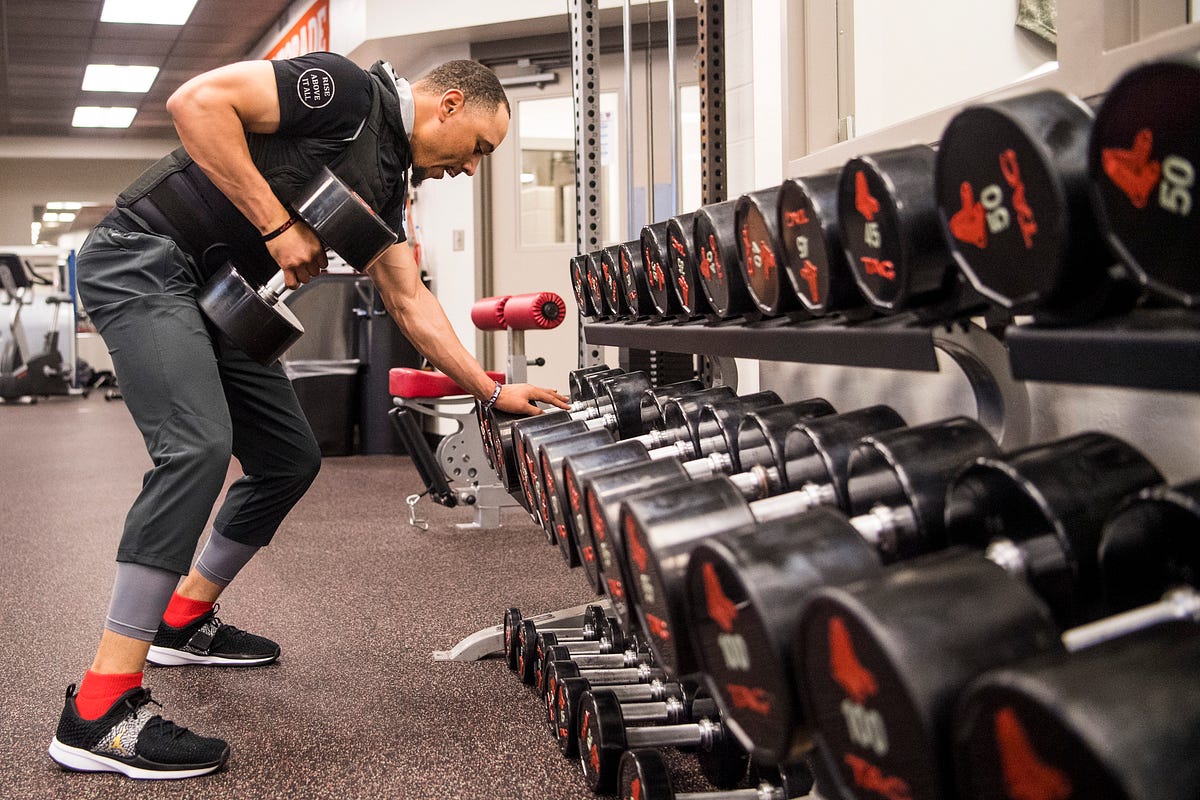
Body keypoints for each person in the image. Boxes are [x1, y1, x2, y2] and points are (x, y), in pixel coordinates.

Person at [48, 51, 568, 780]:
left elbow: (410, 300)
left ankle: (183, 619)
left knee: (289, 457)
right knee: (196, 448)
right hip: (141, 259)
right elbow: (196, 102)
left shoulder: (386, 184)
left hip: (213, 296)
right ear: (449, 105)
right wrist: (274, 225)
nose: (474, 168)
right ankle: (99, 709)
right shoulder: (345, 92)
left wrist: (489, 388)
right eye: (480, 148)